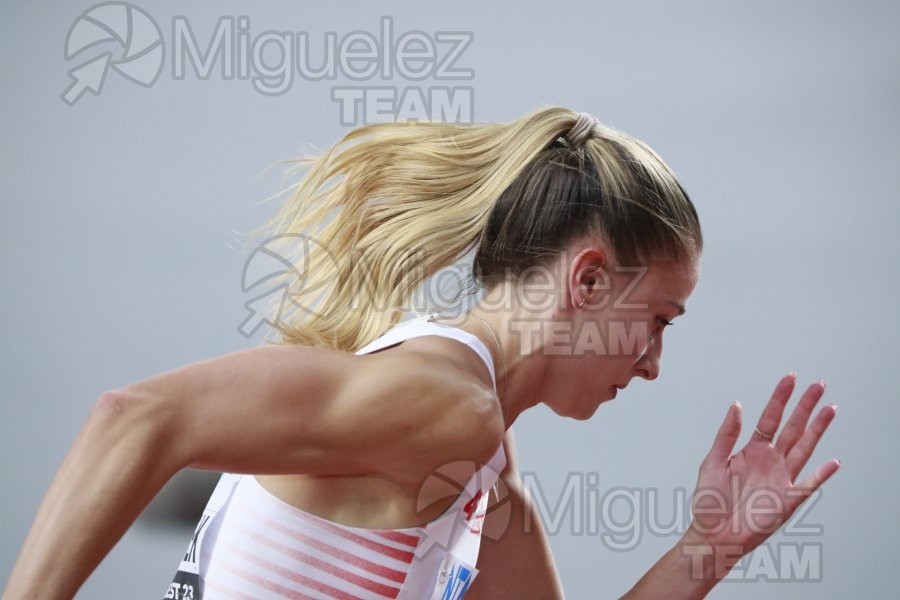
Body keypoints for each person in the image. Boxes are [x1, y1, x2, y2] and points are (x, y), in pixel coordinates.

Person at [3, 107, 839, 599]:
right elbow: (133, 419)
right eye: (660, 319)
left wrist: (712, 546)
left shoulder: (477, 443)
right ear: (587, 282)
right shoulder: (444, 406)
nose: (654, 362)